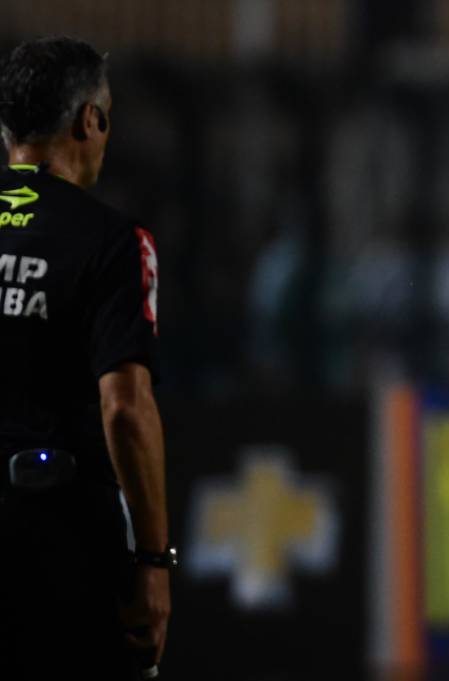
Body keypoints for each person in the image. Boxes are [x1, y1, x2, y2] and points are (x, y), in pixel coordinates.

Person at [0, 37, 172, 679]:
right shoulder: (114, 242)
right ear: (88, 120)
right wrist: (153, 561)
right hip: (59, 544)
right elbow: (124, 409)